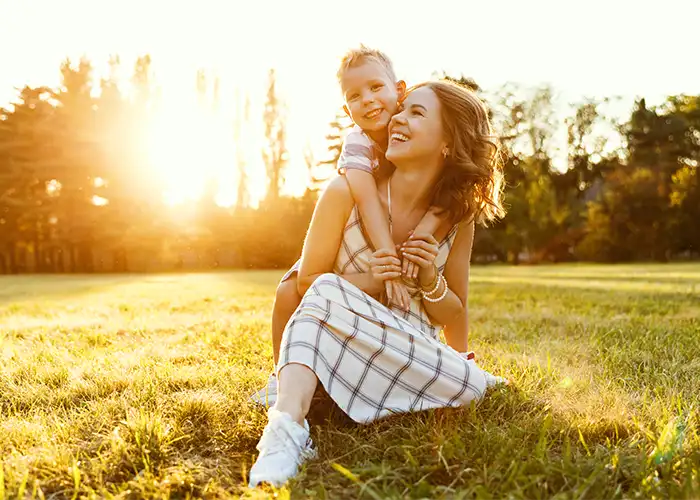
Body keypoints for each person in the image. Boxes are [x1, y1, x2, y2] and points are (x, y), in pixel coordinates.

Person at [248, 79, 507, 487]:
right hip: (338, 338)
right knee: (323, 288)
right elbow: (306, 285)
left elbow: (452, 309)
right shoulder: (343, 193)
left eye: (416, 113)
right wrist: (379, 276)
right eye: (402, 109)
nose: (397, 119)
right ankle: (285, 430)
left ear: (447, 143)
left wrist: (427, 279)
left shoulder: (457, 218)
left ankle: (317, 393)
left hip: (406, 349)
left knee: (472, 387)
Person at [251, 46, 450, 408]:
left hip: (396, 232)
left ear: (399, 89)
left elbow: (450, 190)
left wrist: (424, 229)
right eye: (355, 96)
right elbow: (365, 199)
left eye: (376, 87)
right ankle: (283, 374)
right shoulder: (358, 143)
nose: (368, 101)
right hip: (356, 231)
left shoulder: (415, 129)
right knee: (289, 293)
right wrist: (386, 258)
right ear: (347, 110)